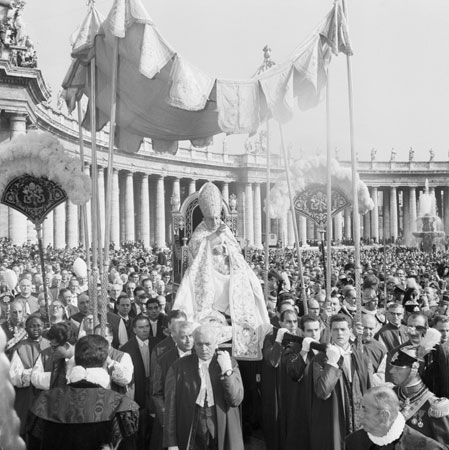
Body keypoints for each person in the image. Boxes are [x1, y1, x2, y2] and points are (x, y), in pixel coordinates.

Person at [173, 182, 269, 360]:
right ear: (204, 217)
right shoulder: (200, 233)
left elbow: (235, 252)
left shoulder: (225, 230)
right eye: (211, 219)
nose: (215, 222)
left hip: (232, 287)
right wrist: (212, 240)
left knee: (252, 283)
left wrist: (226, 249)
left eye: (217, 218)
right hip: (208, 289)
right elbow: (195, 250)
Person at [27, 334, 139, 450]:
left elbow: (34, 444)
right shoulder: (121, 406)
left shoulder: (44, 402)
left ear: (75, 359)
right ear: (105, 362)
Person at [163, 325, 244, 450]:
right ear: (194, 344)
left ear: (216, 343)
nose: (204, 348)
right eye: (199, 344)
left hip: (221, 424)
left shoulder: (229, 362)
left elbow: (235, 400)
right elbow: (170, 406)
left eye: (208, 344)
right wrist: (171, 442)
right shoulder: (179, 366)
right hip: (191, 426)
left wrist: (228, 372)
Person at [306, 314, 372, 450]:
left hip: (359, 421)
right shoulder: (321, 358)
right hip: (334, 418)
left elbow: (369, 389)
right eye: (335, 329)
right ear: (330, 331)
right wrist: (332, 363)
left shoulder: (361, 356)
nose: (339, 333)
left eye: (343, 329)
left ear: (350, 330)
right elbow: (322, 392)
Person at [346, 386, 446, 449]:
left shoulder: (428, 447)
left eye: (365, 410)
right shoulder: (353, 441)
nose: (359, 415)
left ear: (384, 416)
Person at [389, 343, 449, 445]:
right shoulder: (389, 394)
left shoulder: (434, 407)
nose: (391, 371)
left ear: (415, 369)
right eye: (393, 367)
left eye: (398, 368)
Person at [151, 321, 194, 450]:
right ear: (174, 338)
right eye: (183, 337)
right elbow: (157, 392)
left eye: (191, 335)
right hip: (173, 417)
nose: (188, 340)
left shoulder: (201, 356)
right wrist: (166, 417)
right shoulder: (164, 360)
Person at [261, 309, 299, 450]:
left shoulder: (299, 337)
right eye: (288, 321)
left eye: (295, 321)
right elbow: (273, 361)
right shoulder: (271, 338)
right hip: (277, 390)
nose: (292, 325)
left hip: (294, 389)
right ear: (281, 322)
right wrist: (279, 341)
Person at [9, 314, 50, 441]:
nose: (36, 328)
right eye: (32, 326)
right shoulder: (20, 347)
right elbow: (14, 376)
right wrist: (33, 375)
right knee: (27, 429)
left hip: (46, 395)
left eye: (38, 325)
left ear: (43, 327)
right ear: (26, 329)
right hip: (26, 395)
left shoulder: (50, 345)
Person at [284, 315, 322, 450]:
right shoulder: (293, 348)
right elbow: (293, 372)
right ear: (302, 331)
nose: (314, 334)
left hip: (322, 402)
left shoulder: (325, 347)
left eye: (316, 330)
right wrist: (303, 352)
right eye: (309, 331)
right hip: (302, 402)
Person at [120, 314, 153, 449]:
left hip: (154, 389)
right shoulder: (126, 349)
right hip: (137, 391)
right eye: (141, 327)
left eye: (147, 326)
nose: (145, 330)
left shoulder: (158, 343)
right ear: (134, 330)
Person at [31, 322, 73, 391]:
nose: (52, 350)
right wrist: (55, 377)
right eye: (50, 344)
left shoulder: (81, 357)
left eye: (54, 347)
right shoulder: (44, 354)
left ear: (66, 345)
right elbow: (35, 378)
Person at [362, 313, 387, 385]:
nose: (367, 332)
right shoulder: (350, 344)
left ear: (376, 328)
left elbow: (382, 374)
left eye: (370, 328)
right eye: (365, 328)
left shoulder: (381, 349)